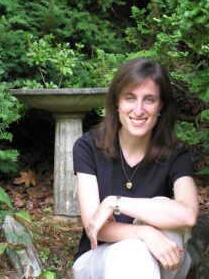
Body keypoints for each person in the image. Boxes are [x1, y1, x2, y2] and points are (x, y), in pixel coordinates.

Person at [72, 57, 198, 279]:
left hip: (165, 259)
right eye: (130, 98)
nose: (138, 110)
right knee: (134, 251)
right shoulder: (88, 146)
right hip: (98, 258)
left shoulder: (176, 154)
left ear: (161, 106)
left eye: (149, 99)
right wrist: (143, 232)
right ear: (117, 103)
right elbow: (95, 227)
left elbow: (188, 215)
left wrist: (115, 203)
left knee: (167, 210)